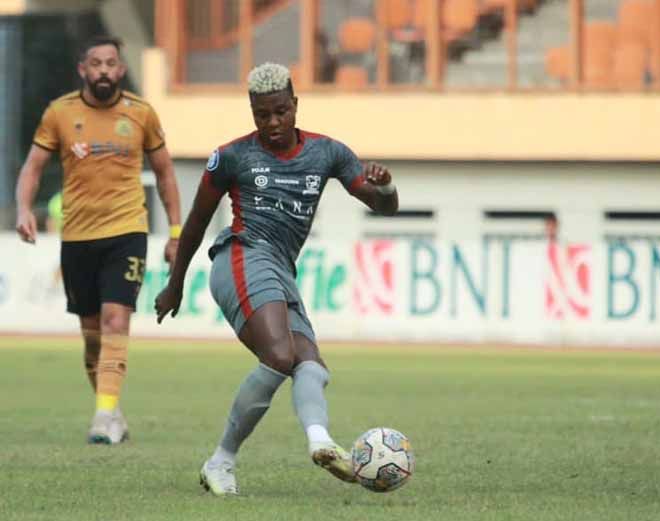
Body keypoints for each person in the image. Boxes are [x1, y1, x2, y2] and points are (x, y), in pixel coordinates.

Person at [154, 62, 399, 496]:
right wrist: (175, 285)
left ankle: (317, 444)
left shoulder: (328, 153)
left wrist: (386, 188)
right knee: (282, 354)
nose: (272, 123)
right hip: (240, 258)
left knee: (311, 367)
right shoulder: (232, 156)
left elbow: (382, 206)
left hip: (280, 271)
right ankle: (225, 462)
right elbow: (195, 224)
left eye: (281, 112)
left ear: (295, 105)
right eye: (262, 115)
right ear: (252, 112)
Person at [15, 35, 183, 445]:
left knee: (115, 319)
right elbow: (33, 168)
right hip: (77, 237)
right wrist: (24, 208)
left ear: (121, 70)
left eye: (111, 63)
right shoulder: (59, 112)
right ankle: (112, 411)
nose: (104, 70)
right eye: (96, 63)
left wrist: (176, 232)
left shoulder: (141, 113)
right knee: (92, 337)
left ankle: (103, 416)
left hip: (126, 232)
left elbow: (165, 174)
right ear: (83, 69)